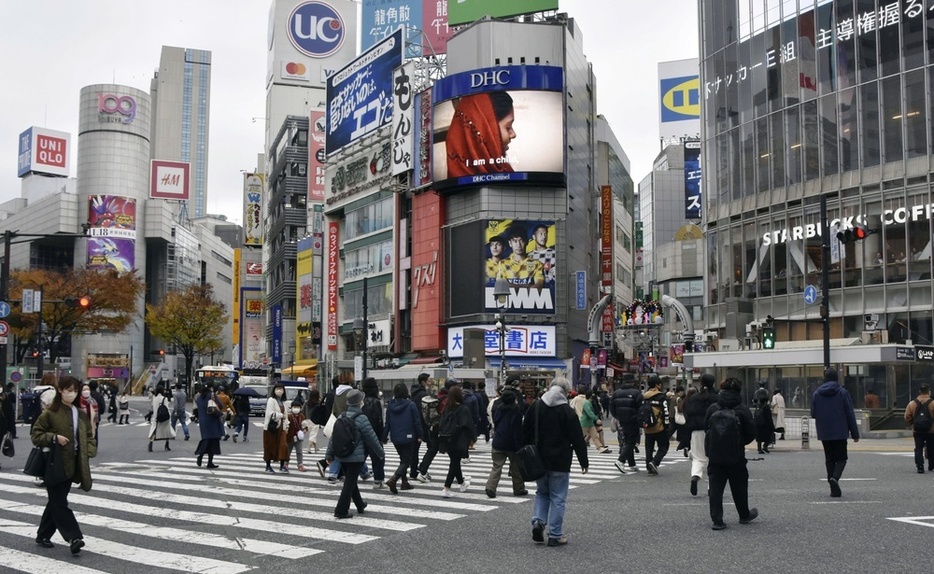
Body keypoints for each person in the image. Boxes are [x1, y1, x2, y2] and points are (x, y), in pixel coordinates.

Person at [31, 375, 97, 554]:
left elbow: (89, 436)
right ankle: (73, 537)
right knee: (59, 502)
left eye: (75, 391)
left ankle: (43, 534)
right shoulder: (50, 413)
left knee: (56, 500)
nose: (73, 394)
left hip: (73, 463)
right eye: (69, 390)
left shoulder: (80, 414)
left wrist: (89, 451)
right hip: (53, 463)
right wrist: (54, 438)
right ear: (60, 390)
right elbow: (35, 435)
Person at [524, 377, 589, 547]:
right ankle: (555, 535)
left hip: (538, 458)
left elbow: (525, 431)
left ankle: (538, 522)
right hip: (560, 460)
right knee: (558, 497)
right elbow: (577, 439)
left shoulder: (536, 407)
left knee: (542, 492)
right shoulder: (567, 411)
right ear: (565, 392)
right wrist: (584, 461)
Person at [705, 377, 757, 530]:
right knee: (739, 485)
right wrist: (739, 442)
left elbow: (705, 427)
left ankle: (717, 520)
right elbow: (751, 432)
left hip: (715, 454)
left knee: (715, 487)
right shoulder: (742, 409)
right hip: (736, 455)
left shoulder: (713, 408)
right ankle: (744, 515)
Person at [325, 389, 384, 519]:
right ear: (359, 402)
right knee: (349, 482)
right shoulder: (362, 418)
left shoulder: (342, 416)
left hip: (342, 455)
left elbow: (333, 438)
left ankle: (360, 504)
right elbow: (372, 438)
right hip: (355, 456)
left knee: (351, 481)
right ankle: (341, 510)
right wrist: (380, 453)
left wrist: (329, 454)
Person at [811, 368, 860, 497]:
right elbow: (849, 414)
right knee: (842, 458)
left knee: (829, 459)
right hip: (840, 431)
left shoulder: (817, 393)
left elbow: (813, 414)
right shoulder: (842, 393)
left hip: (824, 432)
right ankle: (835, 478)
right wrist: (855, 433)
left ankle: (831, 483)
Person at [445, 91, 516, 179]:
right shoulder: (458, 188)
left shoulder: (506, 171)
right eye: (508, 127)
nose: (513, 134)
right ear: (486, 131)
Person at [485, 384, 527, 498]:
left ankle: (490, 487)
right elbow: (517, 430)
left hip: (499, 441)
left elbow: (496, 423)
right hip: (512, 443)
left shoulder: (499, 409)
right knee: (515, 467)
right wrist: (520, 445)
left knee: (496, 466)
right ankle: (519, 488)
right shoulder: (516, 412)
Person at [382, 383, 423, 493]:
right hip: (409, 436)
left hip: (395, 437)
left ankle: (404, 482)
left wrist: (384, 437)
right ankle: (394, 479)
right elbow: (417, 421)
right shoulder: (411, 405)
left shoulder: (390, 405)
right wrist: (420, 435)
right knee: (406, 461)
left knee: (403, 459)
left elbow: (388, 423)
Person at [438, 385, 476, 498]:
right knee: (454, 464)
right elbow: (468, 425)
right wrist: (472, 438)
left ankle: (462, 483)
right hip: (459, 440)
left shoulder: (446, 408)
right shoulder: (463, 409)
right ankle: (446, 487)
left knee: (455, 462)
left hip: (447, 439)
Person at [684, 374, 719, 495]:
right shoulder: (716, 397)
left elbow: (688, 414)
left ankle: (695, 476)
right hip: (712, 431)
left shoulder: (694, 397)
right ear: (713, 383)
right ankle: (711, 486)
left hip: (696, 431)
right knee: (714, 459)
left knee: (698, 457)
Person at [610, 377, 643, 474]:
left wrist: (618, 417)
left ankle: (632, 464)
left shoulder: (616, 393)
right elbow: (641, 408)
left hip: (622, 420)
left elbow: (612, 408)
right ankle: (621, 460)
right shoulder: (637, 393)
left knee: (628, 440)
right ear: (632, 382)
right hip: (633, 420)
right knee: (631, 441)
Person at [497, 224, 545, 290]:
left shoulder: (537, 264)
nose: (518, 245)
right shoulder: (503, 263)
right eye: (515, 241)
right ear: (510, 243)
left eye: (521, 240)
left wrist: (514, 286)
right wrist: (527, 286)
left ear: (527, 242)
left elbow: (539, 286)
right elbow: (501, 285)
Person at [360, 378, 386, 488]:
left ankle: (348, 475)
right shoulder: (376, 402)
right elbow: (378, 420)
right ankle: (378, 480)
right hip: (373, 433)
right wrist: (381, 435)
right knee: (378, 457)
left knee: (360, 456)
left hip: (361, 432)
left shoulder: (361, 400)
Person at [642, 374, 670, 474]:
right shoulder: (661, 397)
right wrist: (667, 426)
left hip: (647, 426)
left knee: (649, 447)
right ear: (658, 385)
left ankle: (649, 466)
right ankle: (655, 462)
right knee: (664, 446)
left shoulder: (644, 397)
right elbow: (666, 412)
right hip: (659, 426)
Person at [903, 384, 934, 474]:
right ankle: (931, 465)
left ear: (919, 392)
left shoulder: (912, 403)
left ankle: (920, 466)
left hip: (917, 430)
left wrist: (913, 423)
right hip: (931, 431)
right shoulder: (932, 403)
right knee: (931, 447)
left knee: (918, 448)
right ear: (929, 392)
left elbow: (907, 417)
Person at [194, 384, 223, 469]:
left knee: (206, 439)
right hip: (212, 420)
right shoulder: (211, 395)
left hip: (203, 422)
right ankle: (209, 462)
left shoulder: (198, 398)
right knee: (213, 441)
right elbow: (220, 405)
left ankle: (201, 455)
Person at [408, 373, 431, 481]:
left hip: (413, 423)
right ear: (423, 382)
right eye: (429, 381)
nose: (430, 383)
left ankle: (413, 471)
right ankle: (423, 469)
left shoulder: (413, 393)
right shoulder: (424, 394)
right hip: (423, 424)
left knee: (414, 450)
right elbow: (426, 411)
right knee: (432, 447)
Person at [263, 383, 290, 473]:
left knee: (283, 445)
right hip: (272, 427)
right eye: (277, 389)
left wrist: (286, 426)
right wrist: (281, 415)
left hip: (281, 427)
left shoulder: (283, 401)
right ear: (274, 390)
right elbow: (270, 414)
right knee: (270, 446)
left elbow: (286, 416)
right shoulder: (271, 400)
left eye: (281, 389)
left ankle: (282, 465)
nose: (279, 391)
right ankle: (268, 466)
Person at [579, 389, 610, 454]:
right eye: (592, 394)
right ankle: (575, 445)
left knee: (594, 436)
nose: (594, 395)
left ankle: (600, 448)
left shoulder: (589, 402)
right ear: (590, 396)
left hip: (589, 423)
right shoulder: (587, 403)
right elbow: (589, 412)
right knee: (580, 436)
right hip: (586, 423)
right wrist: (596, 419)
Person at [148, 386, 176, 451]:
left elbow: (153, 408)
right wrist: (169, 416)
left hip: (156, 417)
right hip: (164, 416)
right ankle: (167, 444)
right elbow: (166, 408)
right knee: (166, 430)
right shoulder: (164, 399)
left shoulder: (155, 399)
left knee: (154, 430)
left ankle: (151, 444)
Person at [285, 398, 306, 472]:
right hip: (289, 437)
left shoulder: (302, 416)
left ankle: (300, 464)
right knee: (288, 451)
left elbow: (304, 425)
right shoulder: (289, 416)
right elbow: (286, 425)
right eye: (294, 407)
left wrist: (305, 429)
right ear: (291, 408)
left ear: (300, 408)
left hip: (298, 437)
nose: (296, 409)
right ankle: (285, 463)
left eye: (298, 407)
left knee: (299, 451)